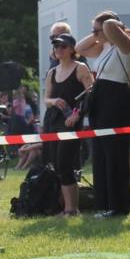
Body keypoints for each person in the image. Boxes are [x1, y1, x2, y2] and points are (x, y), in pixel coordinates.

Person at [76, 11, 130, 218]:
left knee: (115, 156)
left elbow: (112, 25)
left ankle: (119, 206)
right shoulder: (104, 47)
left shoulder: (125, 45)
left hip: (116, 102)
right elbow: (79, 48)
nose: (95, 34)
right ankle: (103, 203)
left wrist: (107, 27)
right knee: (101, 156)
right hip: (101, 101)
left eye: (98, 29)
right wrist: (97, 34)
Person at [44, 34, 94, 216]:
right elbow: (46, 98)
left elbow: (91, 93)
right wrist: (54, 101)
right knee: (57, 165)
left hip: (71, 123)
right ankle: (65, 206)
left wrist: (77, 114)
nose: (58, 49)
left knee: (65, 163)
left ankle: (72, 208)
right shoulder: (52, 72)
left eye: (63, 46)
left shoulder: (80, 69)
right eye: (56, 46)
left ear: (72, 49)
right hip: (54, 122)